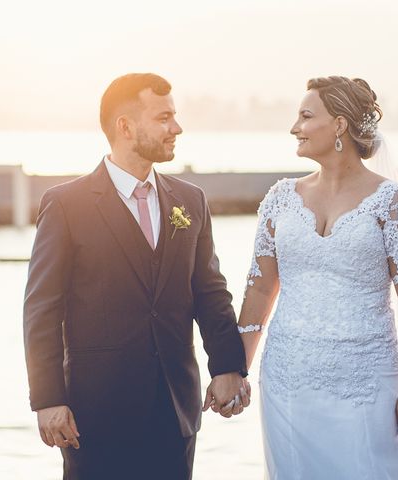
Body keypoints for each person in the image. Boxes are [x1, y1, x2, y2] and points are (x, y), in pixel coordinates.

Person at [23, 73, 249, 480]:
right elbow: (41, 309)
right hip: (93, 416)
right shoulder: (66, 205)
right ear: (125, 127)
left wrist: (228, 366)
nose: (176, 128)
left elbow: (210, 292)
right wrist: (48, 399)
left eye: (175, 117)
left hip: (176, 411)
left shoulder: (190, 201)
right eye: (164, 117)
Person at [237, 76, 398, 479]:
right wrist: (236, 370)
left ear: (340, 125)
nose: (295, 127)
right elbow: (259, 288)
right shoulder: (280, 198)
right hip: (287, 382)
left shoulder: (392, 203)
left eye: (306, 116)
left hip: (367, 385)